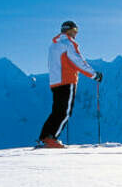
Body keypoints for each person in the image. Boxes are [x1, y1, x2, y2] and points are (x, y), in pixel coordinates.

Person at [38, 20, 103, 149]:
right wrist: (94, 75)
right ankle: (51, 138)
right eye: (74, 32)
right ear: (69, 31)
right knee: (65, 112)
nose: (75, 35)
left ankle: (44, 137)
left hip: (55, 82)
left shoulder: (54, 45)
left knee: (56, 111)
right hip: (67, 81)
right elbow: (78, 62)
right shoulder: (68, 44)